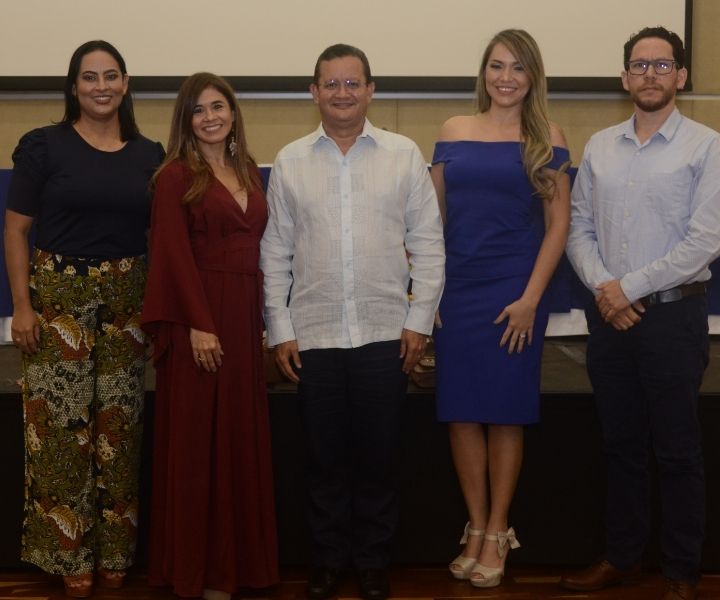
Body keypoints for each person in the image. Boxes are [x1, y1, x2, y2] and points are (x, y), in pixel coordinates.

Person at [260, 44, 445, 600]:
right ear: (313, 92)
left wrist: (420, 320)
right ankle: (327, 560)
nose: (342, 93)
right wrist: (280, 328)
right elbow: (275, 254)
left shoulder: (402, 154)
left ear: (370, 90)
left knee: (379, 457)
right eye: (331, 84)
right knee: (323, 458)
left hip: (386, 333)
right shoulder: (290, 160)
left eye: (353, 83)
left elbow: (429, 245)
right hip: (313, 335)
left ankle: (371, 562)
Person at [562, 27, 720, 600]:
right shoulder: (600, 146)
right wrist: (608, 289)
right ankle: (622, 558)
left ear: (680, 76)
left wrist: (626, 288)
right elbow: (578, 228)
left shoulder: (707, 145)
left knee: (678, 449)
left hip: (673, 319)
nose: (649, 75)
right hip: (611, 319)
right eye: (638, 65)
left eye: (662, 66)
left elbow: (704, 241)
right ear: (624, 77)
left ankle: (682, 572)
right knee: (620, 445)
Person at [3, 40, 164, 597]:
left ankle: (116, 549)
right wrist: (21, 306)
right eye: (89, 77)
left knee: (119, 430)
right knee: (61, 433)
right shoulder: (44, 147)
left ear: (125, 83)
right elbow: (17, 229)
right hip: (56, 301)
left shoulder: (150, 153)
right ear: (74, 86)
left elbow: (156, 239)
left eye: (111, 76)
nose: (101, 86)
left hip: (128, 304)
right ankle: (67, 554)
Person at [430, 29, 570, 588]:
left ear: (532, 77)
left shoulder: (548, 137)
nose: (505, 77)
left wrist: (530, 300)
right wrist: (428, 294)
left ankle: (498, 528)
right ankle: (474, 524)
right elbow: (431, 220)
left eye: (516, 68)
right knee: (461, 412)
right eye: (496, 66)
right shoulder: (452, 131)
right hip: (457, 292)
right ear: (483, 73)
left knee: (506, 413)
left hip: (515, 294)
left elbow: (558, 227)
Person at [140, 72, 278, 599]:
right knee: (200, 446)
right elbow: (171, 254)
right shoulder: (175, 175)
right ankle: (199, 572)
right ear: (186, 120)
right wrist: (199, 322)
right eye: (199, 110)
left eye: (218, 106)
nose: (211, 116)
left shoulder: (247, 170)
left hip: (244, 317)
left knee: (240, 439)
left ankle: (236, 567)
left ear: (233, 113)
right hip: (199, 315)